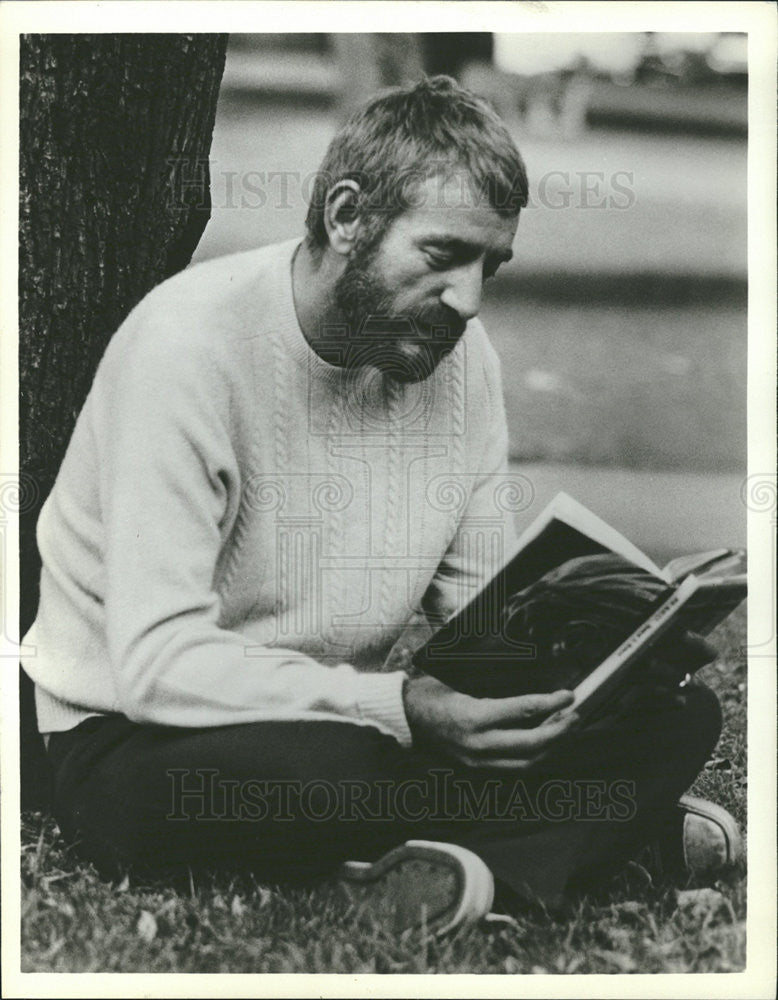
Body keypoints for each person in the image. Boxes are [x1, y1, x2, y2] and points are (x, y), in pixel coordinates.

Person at [22, 76, 741, 936]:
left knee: (679, 717)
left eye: (490, 267)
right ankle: (582, 841)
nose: (469, 302)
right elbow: (157, 664)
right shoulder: (188, 350)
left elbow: (487, 627)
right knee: (338, 771)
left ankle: (466, 869)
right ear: (347, 215)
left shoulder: (461, 362)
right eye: (443, 257)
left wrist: (613, 652)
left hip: (350, 723)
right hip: (135, 739)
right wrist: (400, 706)